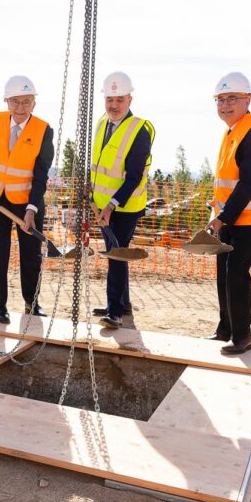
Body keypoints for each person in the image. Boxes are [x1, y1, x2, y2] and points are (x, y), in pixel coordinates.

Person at [0, 75, 55, 324]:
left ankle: (32, 303)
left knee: (31, 253)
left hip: (28, 202)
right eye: (15, 101)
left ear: (34, 103)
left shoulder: (44, 130)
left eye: (26, 102)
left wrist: (31, 209)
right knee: (0, 249)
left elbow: (41, 174)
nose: (20, 107)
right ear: (6, 101)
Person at [206, 72, 251, 355]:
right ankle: (225, 329)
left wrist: (222, 218)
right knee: (223, 274)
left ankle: (243, 336)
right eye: (220, 99)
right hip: (230, 219)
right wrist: (217, 212)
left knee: (236, 274)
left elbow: (248, 184)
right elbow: (228, 182)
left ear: (248, 99)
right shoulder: (232, 131)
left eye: (232, 98)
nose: (225, 104)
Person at [89, 71, 155, 329]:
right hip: (101, 205)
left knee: (116, 254)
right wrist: (93, 197)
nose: (114, 105)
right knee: (116, 253)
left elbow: (134, 177)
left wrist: (112, 205)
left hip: (125, 207)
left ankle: (114, 311)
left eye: (119, 100)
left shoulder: (140, 129)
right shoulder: (101, 124)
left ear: (130, 99)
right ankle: (121, 303)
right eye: (110, 100)